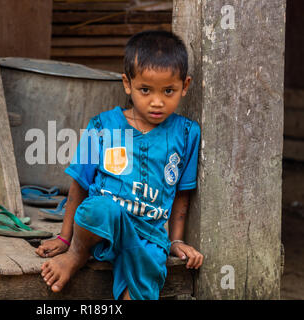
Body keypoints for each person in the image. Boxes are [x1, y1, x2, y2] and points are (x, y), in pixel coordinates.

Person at [35, 30, 204, 300]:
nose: (157, 101)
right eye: (145, 90)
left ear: (185, 86)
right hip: (100, 230)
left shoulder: (187, 133)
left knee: (146, 275)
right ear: (128, 84)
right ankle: (76, 257)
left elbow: (182, 193)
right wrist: (66, 239)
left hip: (147, 236)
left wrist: (176, 241)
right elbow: (79, 183)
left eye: (168, 91)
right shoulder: (103, 126)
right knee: (100, 208)